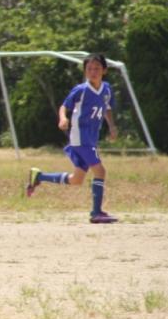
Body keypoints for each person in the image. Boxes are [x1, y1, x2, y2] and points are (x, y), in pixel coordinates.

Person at [25, 53, 119, 223]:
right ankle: (96, 213)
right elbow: (64, 106)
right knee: (100, 171)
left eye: (97, 68)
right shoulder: (81, 90)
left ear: (104, 70)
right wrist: (63, 118)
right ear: (85, 71)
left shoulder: (106, 89)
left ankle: (38, 177)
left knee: (76, 180)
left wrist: (112, 126)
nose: (93, 72)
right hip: (80, 137)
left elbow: (107, 108)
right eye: (89, 69)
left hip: (91, 138)